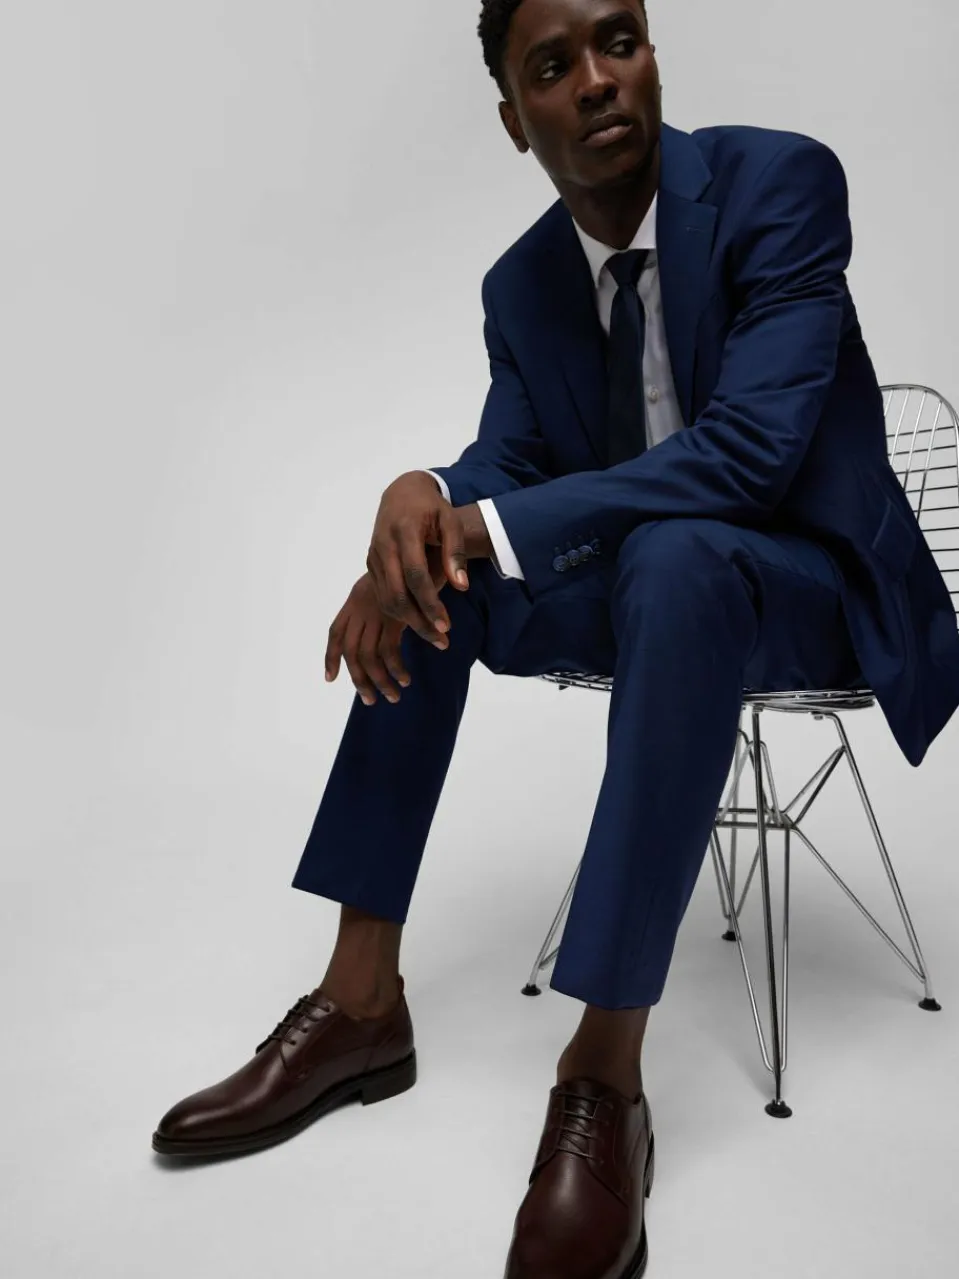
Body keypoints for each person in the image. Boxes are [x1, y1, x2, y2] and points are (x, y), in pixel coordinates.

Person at [151, 2, 959, 1276]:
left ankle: (603, 1073)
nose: (595, 79)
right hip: (649, 594)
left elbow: (749, 456)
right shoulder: (520, 283)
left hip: (810, 589)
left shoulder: (776, 186)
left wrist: (483, 519)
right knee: (434, 573)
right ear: (512, 117)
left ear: (649, 54)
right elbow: (511, 461)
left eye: (617, 41)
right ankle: (360, 1000)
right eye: (551, 65)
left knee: (675, 555)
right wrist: (425, 496)